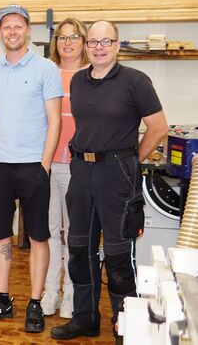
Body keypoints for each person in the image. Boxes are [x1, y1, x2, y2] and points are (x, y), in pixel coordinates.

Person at [51, 20, 168, 343]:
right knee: (79, 249)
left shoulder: (135, 81)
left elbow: (158, 128)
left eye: (106, 41)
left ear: (117, 45)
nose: (99, 47)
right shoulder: (78, 80)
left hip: (118, 176)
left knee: (117, 256)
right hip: (81, 174)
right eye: (93, 42)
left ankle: (124, 324)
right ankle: (85, 319)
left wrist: (131, 160)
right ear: (86, 46)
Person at [0, 4, 63, 333]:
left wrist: (44, 165)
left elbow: (54, 121)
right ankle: (3, 300)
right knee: (0, 236)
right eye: (6, 27)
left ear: (27, 31)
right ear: (0, 32)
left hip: (32, 167)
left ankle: (35, 303)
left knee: (39, 237)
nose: (12, 32)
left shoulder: (46, 69)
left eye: (18, 26)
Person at [41, 18, 90, 319]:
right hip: (47, 164)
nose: (68, 42)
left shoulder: (91, 75)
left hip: (78, 168)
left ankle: (71, 294)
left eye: (74, 37)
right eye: (62, 37)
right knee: (46, 232)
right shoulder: (47, 73)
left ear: (84, 42)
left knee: (75, 234)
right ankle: (50, 292)